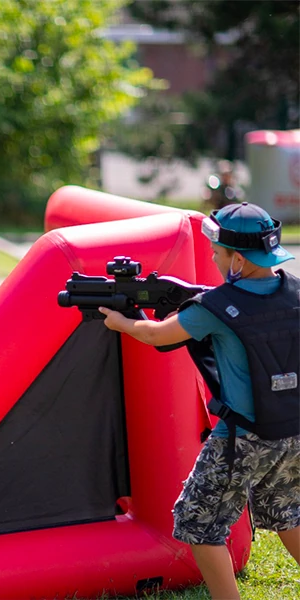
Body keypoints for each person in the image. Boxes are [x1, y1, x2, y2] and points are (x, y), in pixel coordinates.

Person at [97, 202, 299, 600]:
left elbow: (157, 335)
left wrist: (121, 321)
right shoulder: (294, 289)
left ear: (237, 258)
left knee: (197, 523)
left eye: (218, 252)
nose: (213, 257)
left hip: (241, 438)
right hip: (292, 430)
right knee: (287, 512)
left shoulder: (216, 308)